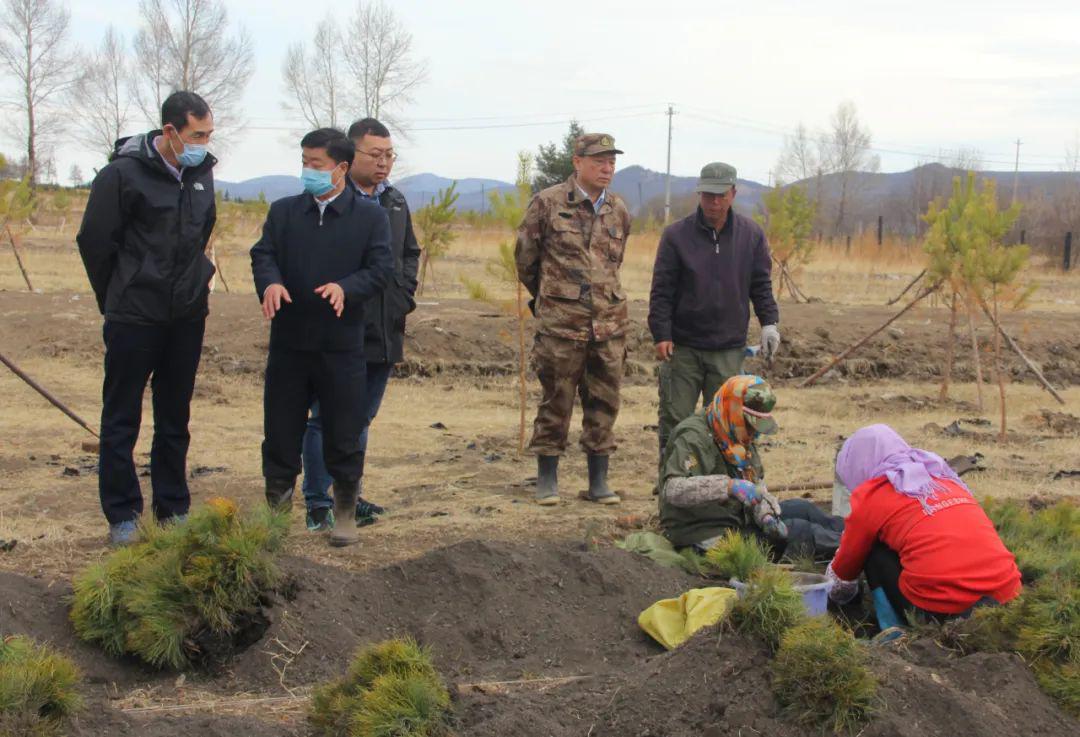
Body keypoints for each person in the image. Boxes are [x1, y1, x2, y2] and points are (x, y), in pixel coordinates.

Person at [77, 91, 217, 546]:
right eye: (197, 134)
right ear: (170, 131)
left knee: (175, 416)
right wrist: (117, 296)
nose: (204, 142)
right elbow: (95, 242)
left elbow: (201, 232)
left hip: (186, 316)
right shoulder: (121, 175)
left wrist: (197, 282)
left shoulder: (201, 174)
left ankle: (172, 507)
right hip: (134, 316)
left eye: (209, 134)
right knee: (122, 417)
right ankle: (123, 515)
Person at [250, 128, 392, 548]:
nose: (308, 171)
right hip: (290, 344)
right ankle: (276, 516)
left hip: (342, 345)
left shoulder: (370, 218)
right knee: (280, 431)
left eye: (317, 164)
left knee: (344, 431)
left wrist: (346, 288)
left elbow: (381, 268)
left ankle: (344, 512)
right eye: (304, 162)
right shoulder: (284, 212)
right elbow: (264, 254)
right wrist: (270, 284)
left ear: (341, 168)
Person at [299, 117, 421, 532]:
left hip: (385, 327)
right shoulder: (331, 200)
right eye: (375, 154)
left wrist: (403, 297)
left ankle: (348, 494)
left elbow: (409, 253)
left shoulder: (396, 201)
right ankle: (318, 502)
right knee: (325, 416)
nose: (384, 162)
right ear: (351, 157)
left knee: (360, 419)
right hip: (340, 326)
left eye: (389, 154)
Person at [515, 133, 632, 506]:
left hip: (608, 325)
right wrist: (553, 298)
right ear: (577, 162)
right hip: (561, 325)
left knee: (604, 401)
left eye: (611, 161)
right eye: (599, 160)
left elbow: (615, 262)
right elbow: (525, 260)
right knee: (556, 399)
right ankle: (547, 479)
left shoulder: (619, 209)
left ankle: (598, 481)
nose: (607, 167)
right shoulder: (547, 204)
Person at [648, 162, 779, 472]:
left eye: (721, 195)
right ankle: (672, 479)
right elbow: (662, 288)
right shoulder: (676, 236)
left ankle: (725, 481)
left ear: (733, 194)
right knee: (675, 418)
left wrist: (769, 323)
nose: (714, 202)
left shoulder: (751, 235)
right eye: (708, 195)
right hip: (683, 347)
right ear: (699, 194)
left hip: (728, 348)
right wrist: (661, 333)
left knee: (729, 420)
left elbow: (760, 284)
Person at [826, 424, 1022, 630]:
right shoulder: (944, 478)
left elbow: (843, 576)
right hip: (1008, 598)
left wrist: (831, 600)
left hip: (944, 609)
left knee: (874, 551)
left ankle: (895, 632)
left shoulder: (872, 496)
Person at [658, 375, 843, 559]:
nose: (754, 434)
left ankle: (859, 534)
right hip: (704, 532)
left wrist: (766, 516)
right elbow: (672, 489)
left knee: (804, 509)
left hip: (737, 517)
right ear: (734, 411)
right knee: (799, 532)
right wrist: (728, 487)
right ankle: (851, 549)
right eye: (750, 425)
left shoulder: (736, 433)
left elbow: (756, 487)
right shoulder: (693, 437)